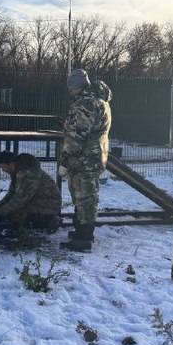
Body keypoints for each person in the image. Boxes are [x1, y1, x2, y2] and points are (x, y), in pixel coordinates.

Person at [59, 69, 112, 251]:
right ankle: (81, 230)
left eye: (71, 87)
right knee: (85, 194)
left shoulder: (86, 104)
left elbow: (76, 135)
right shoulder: (99, 100)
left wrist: (65, 160)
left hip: (84, 157)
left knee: (84, 196)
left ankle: (84, 237)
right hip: (95, 154)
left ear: (77, 86)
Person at [0, 151, 62, 236]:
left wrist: (1, 212)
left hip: (48, 206)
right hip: (38, 202)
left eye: (3, 167)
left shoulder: (27, 174)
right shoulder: (19, 171)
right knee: (11, 213)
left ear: (11, 164)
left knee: (15, 215)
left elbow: (20, 199)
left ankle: (49, 220)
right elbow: (11, 195)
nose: (3, 170)